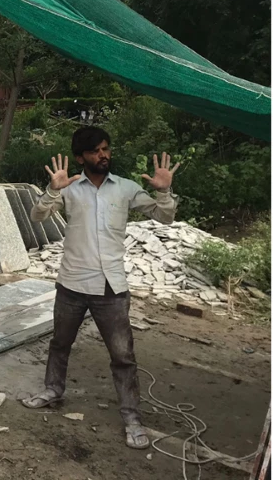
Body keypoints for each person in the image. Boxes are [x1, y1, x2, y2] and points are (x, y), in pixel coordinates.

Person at [21, 126, 180, 450]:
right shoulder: (70, 188)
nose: (103, 155)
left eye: (106, 149)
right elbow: (37, 216)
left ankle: (132, 416)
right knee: (60, 343)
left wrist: (164, 192)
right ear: (81, 157)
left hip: (112, 289)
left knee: (123, 356)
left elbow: (164, 218)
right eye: (95, 151)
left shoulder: (125, 188)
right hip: (72, 285)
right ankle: (53, 390)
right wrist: (52, 191)